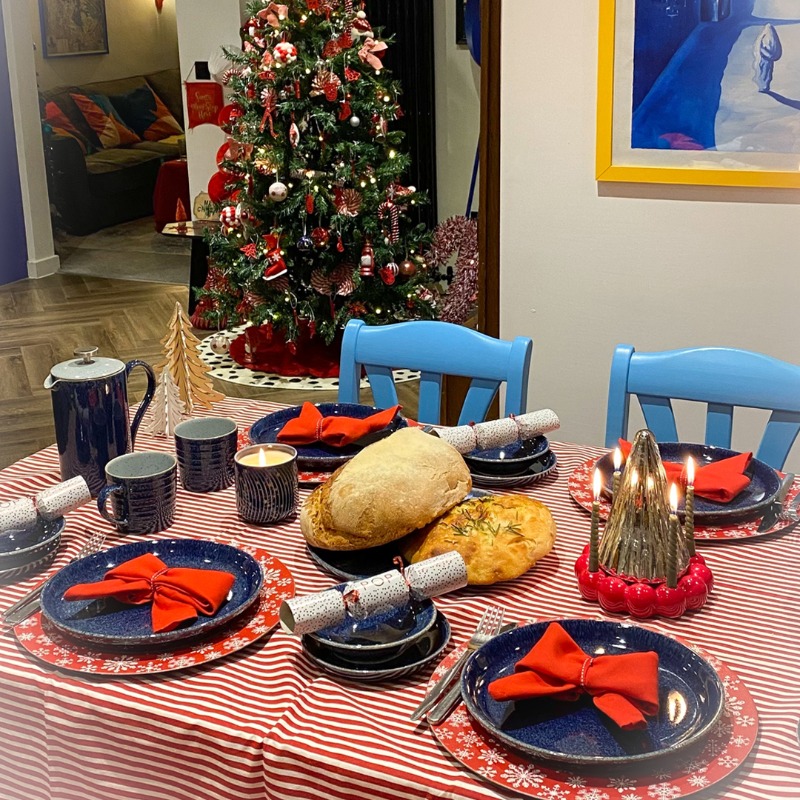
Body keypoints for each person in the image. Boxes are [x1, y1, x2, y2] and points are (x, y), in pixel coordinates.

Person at [753, 24, 782, 92]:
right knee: (766, 73)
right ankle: (764, 86)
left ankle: (764, 86)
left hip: (766, 58)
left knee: (764, 72)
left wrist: (763, 52)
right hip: (768, 59)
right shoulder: (772, 38)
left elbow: (761, 47)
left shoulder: (765, 38)